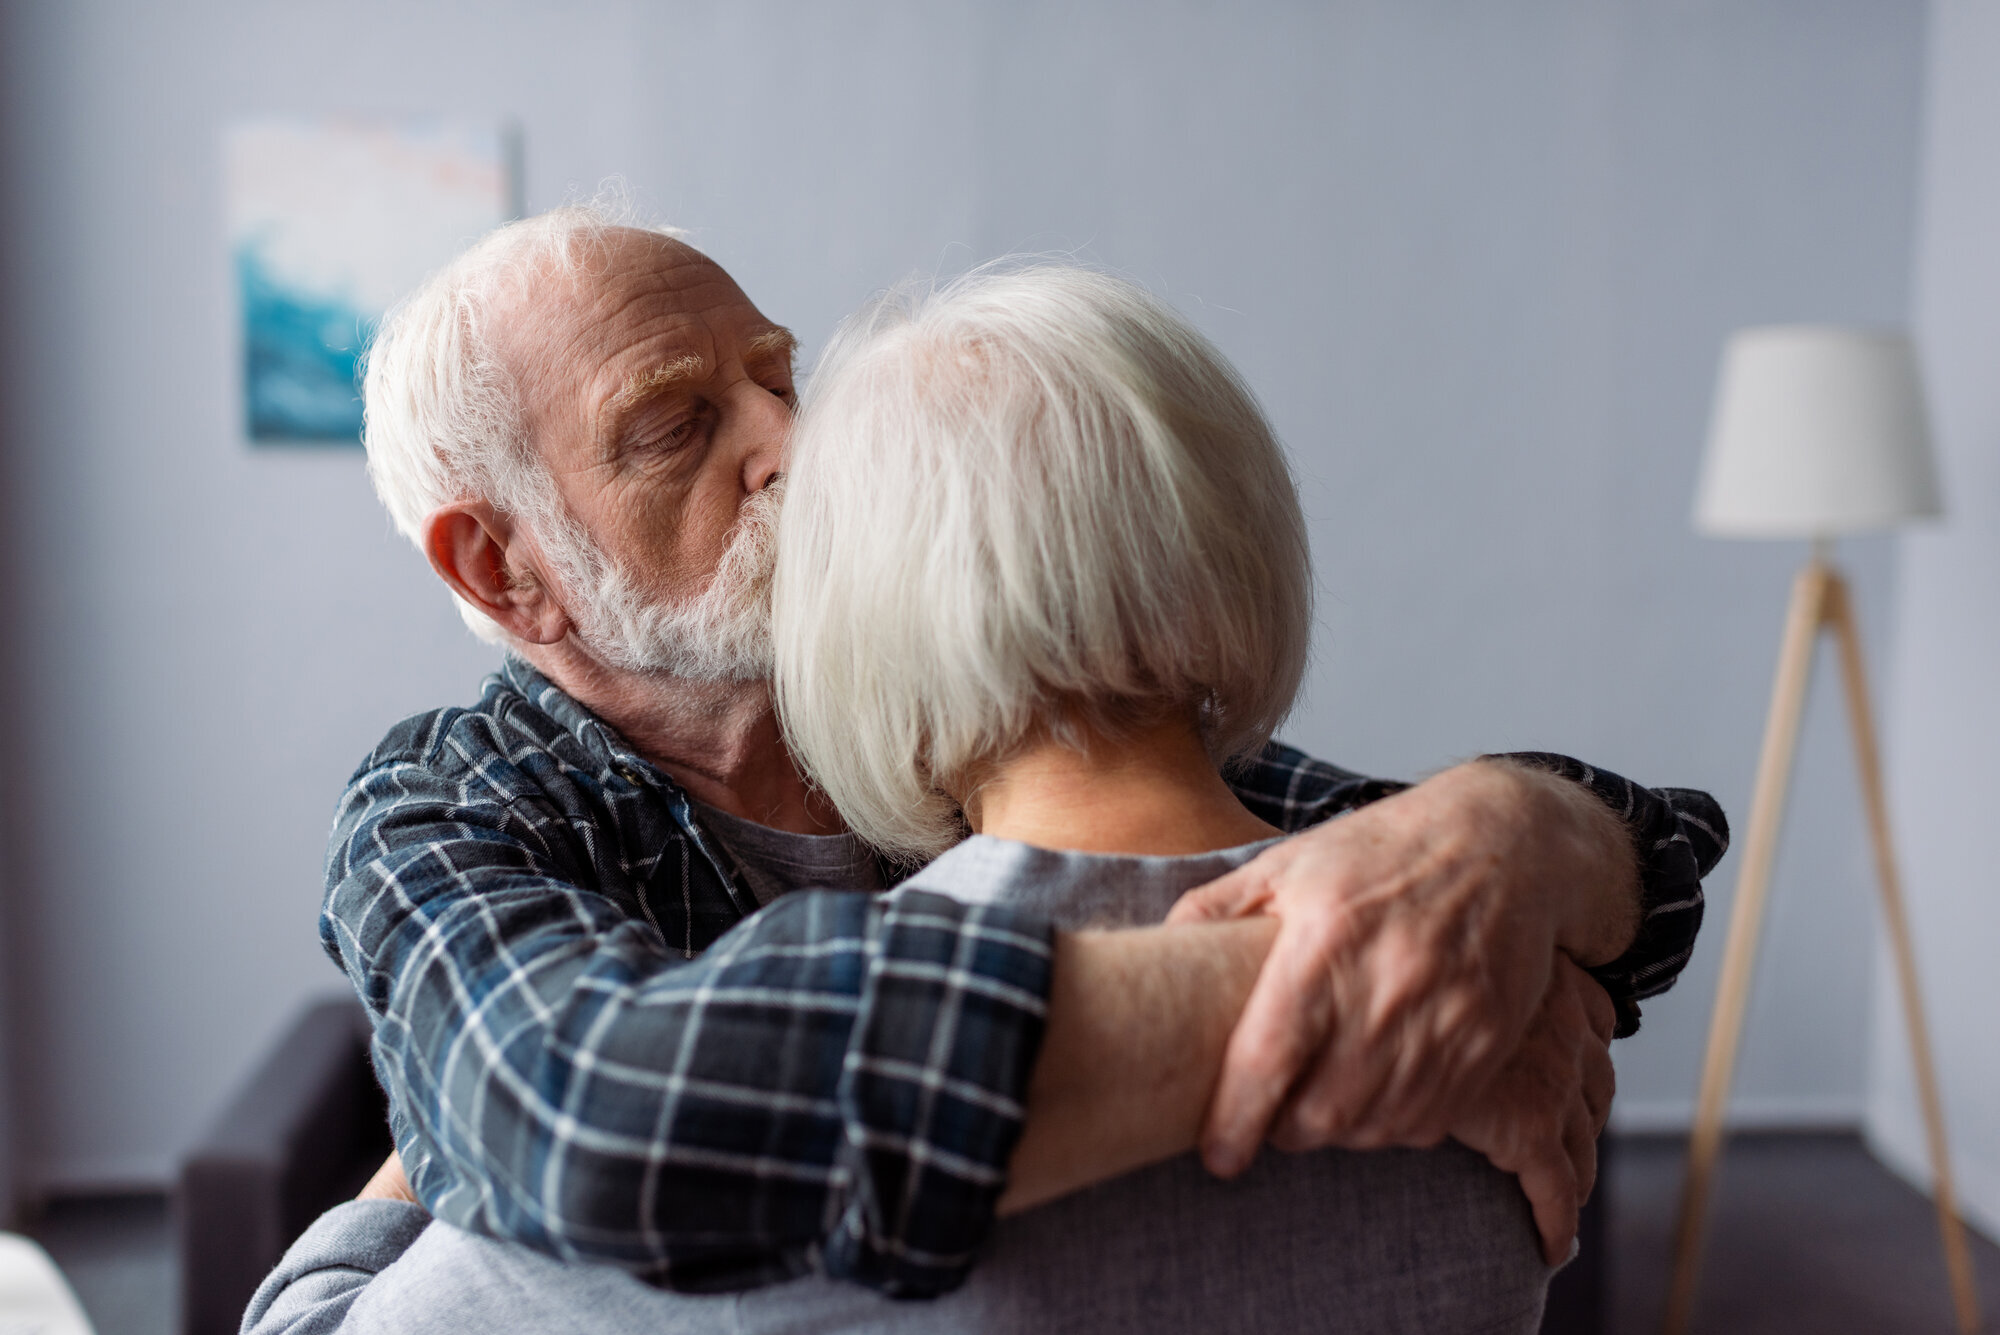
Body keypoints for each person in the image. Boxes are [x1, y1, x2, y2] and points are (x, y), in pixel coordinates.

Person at [302, 205, 1722, 1307]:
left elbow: (1599, 884)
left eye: (782, 379)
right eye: (679, 424)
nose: (794, 443)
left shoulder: (976, 703)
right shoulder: (452, 804)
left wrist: (1518, 834)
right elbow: (589, 1114)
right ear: (503, 569)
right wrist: (1322, 986)